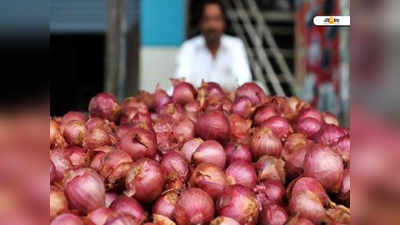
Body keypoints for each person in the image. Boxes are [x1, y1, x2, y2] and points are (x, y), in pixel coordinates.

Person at [175, 0, 252, 91]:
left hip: (230, 103)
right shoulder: (189, 47)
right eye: (207, 19)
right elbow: (181, 84)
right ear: (200, 23)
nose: (212, 25)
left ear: (224, 23)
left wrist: (209, 92)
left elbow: (244, 81)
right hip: (198, 103)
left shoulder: (235, 46)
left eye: (216, 19)